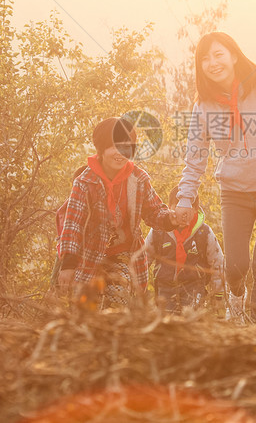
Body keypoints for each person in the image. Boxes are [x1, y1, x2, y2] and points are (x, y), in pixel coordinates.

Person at [174, 32, 256, 324]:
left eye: (218, 54)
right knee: (237, 265)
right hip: (235, 193)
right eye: (204, 58)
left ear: (233, 55)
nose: (212, 62)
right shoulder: (203, 107)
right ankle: (236, 295)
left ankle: (254, 328)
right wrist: (184, 199)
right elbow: (195, 158)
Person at [56, 117, 178, 309]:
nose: (120, 153)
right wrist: (69, 264)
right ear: (102, 149)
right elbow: (73, 224)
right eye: (114, 146)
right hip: (87, 256)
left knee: (117, 302)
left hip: (123, 256)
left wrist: (170, 218)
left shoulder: (138, 179)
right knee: (84, 308)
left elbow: (154, 211)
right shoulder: (85, 182)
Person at [143, 187, 225, 314]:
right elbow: (144, 258)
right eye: (177, 208)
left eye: (187, 211)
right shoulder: (158, 231)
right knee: (166, 322)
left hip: (194, 287)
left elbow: (218, 263)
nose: (182, 215)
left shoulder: (204, 233)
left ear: (195, 210)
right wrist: (138, 285)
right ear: (169, 207)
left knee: (191, 320)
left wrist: (218, 295)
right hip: (165, 286)